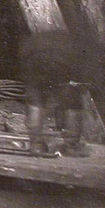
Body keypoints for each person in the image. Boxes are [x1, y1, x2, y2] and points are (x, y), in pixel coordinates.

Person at [18, 28, 93, 156]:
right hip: (62, 60)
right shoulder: (78, 45)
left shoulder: (41, 38)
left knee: (36, 101)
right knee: (72, 103)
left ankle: (36, 145)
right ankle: (71, 146)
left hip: (35, 58)